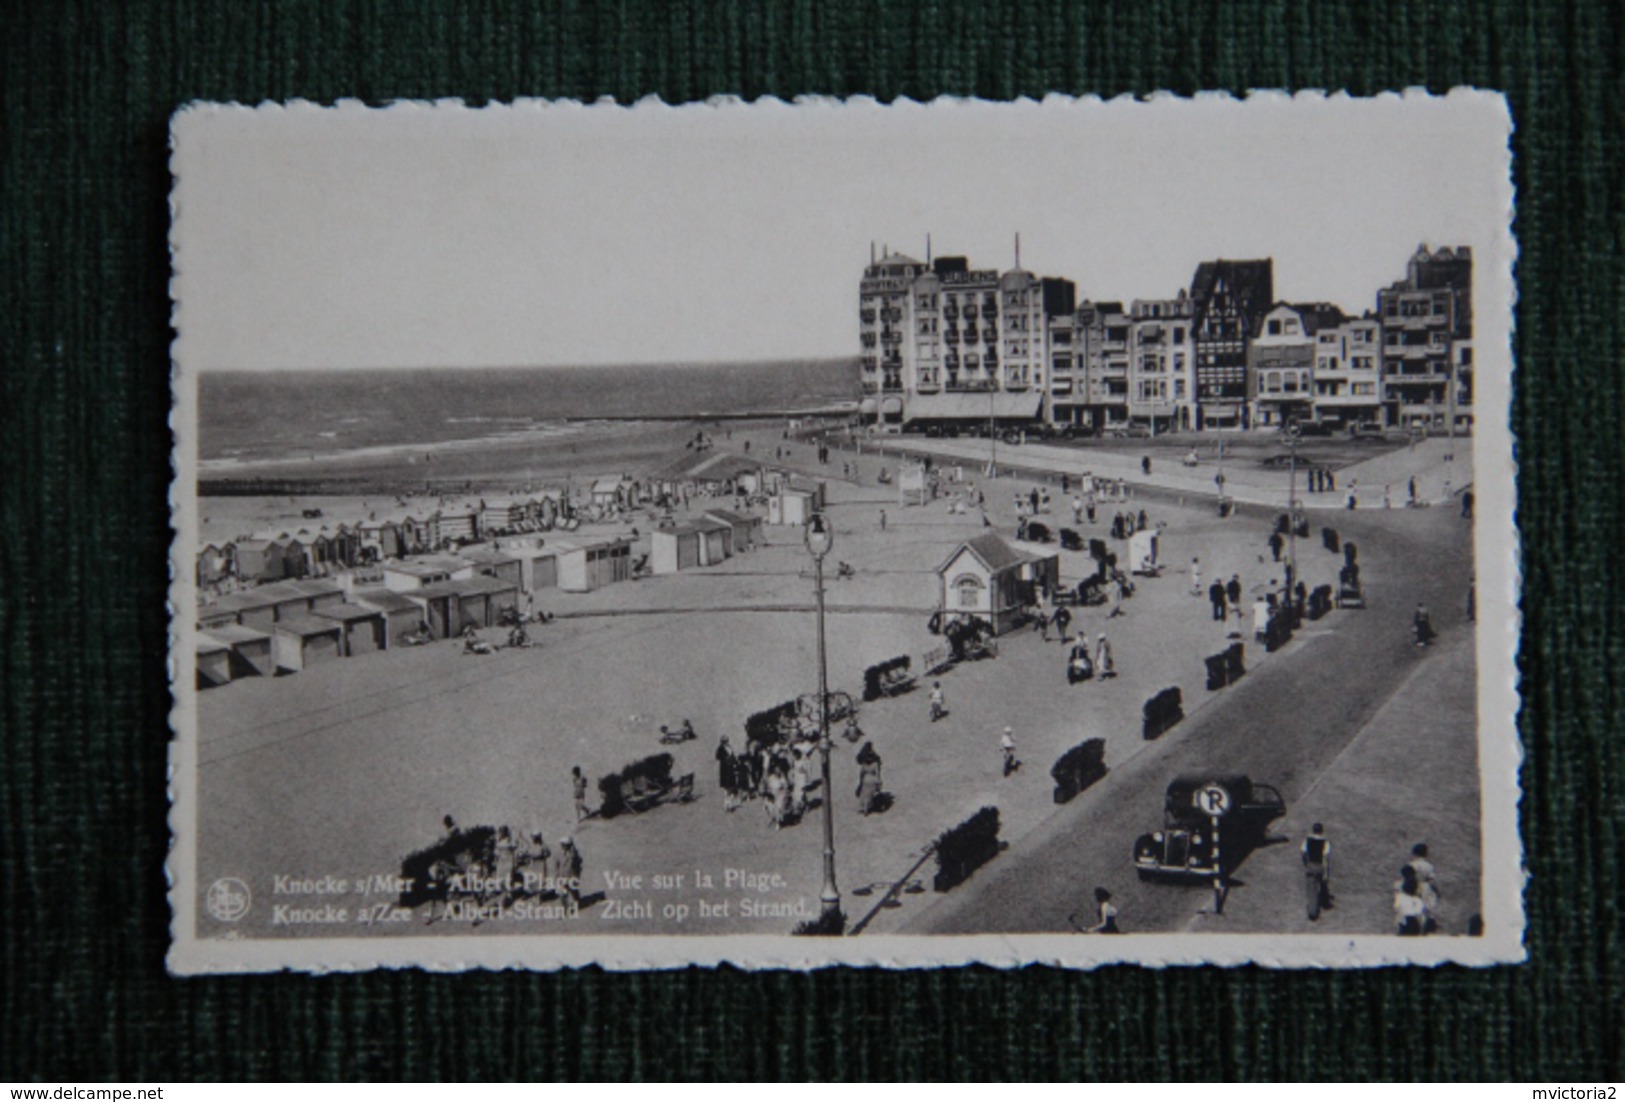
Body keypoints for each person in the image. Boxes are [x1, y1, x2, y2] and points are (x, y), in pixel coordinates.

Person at [1301, 823, 1332, 920]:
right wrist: (1326, 872)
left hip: (1311, 865)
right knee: (1323, 884)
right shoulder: (1325, 842)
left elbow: (1303, 852)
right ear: (1321, 831)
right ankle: (1325, 901)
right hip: (1320, 866)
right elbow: (1326, 857)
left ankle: (1313, 912)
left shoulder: (1307, 841)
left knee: (1312, 889)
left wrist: (1306, 862)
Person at [1394, 866, 1430, 935]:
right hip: (1414, 923)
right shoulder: (1418, 900)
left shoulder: (1401, 898)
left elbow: (1398, 909)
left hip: (1405, 921)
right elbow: (1422, 912)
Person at [1408, 843, 1441, 911]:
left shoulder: (1410, 865)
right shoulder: (1428, 866)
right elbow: (1431, 880)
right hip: (1425, 888)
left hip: (1412, 887)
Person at [855, 741, 883, 815]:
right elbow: (877, 773)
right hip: (873, 779)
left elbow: (861, 773)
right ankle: (867, 808)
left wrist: (860, 782)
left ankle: (863, 807)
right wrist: (879, 782)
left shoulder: (864, 763)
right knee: (869, 795)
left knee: (864, 794)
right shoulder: (875, 763)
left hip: (866, 779)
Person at [716, 736, 741, 812]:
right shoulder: (720, 748)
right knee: (727, 788)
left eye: (727, 741)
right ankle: (726, 805)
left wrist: (736, 764)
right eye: (725, 741)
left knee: (731, 787)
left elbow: (733, 757)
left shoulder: (730, 748)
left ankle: (729, 804)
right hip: (725, 770)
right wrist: (725, 758)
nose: (726, 742)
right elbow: (717, 757)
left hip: (731, 770)